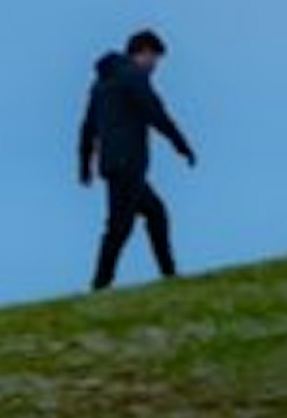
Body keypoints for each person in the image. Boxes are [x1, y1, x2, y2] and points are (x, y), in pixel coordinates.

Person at [77, 27, 198, 289]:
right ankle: (100, 285)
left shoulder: (101, 83)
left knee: (154, 213)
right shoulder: (133, 77)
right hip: (128, 162)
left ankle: (168, 275)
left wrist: (84, 165)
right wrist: (181, 144)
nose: (155, 66)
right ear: (142, 53)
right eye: (154, 59)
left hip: (113, 164)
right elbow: (156, 113)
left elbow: (87, 127)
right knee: (119, 227)